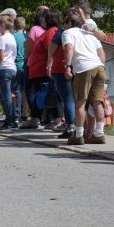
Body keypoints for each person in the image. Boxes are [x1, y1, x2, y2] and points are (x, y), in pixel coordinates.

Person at [62, 11, 107, 145]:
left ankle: (79, 135)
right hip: (99, 67)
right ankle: (99, 134)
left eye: (64, 23)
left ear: (69, 23)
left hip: (83, 68)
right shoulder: (90, 34)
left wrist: (68, 66)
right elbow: (101, 53)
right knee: (97, 101)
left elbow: (69, 48)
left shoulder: (68, 33)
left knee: (80, 101)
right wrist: (102, 67)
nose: (63, 26)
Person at [48, 11, 75, 139]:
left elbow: (51, 50)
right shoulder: (79, 33)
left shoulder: (60, 33)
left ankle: (71, 127)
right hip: (76, 67)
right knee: (75, 99)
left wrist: (49, 65)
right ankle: (77, 127)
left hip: (61, 68)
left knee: (67, 99)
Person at [0, 16, 18, 130]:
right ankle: (10, 119)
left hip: (4, 68)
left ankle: (11, 121)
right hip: (12, 67)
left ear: (2, 25)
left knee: (5, 97)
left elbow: (0, 57)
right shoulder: (11, 37)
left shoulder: (3, 38)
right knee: (3, 96)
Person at [12, 17, 27, 122]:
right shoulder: (27, 36)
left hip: (16, 65)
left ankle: (15, 114)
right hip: (25, 65)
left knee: (14, 90)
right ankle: (24, 113)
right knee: (24, 90)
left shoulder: (13, 37)